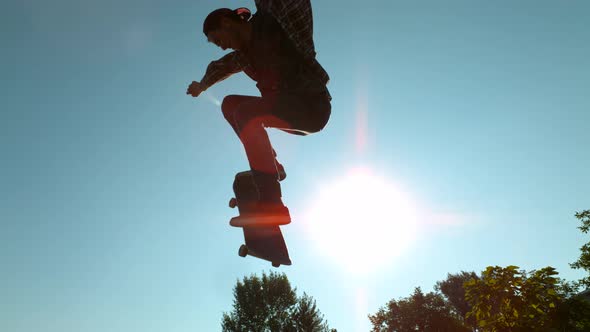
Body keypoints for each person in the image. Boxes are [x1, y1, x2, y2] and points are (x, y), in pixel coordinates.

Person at [186, 0, 331, 226]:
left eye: (218, 40)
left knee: (246, 113)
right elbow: (220, 66)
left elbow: (289, 4)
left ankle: (272, 205)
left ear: (226, 23)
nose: (222, 47)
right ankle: (272, 167)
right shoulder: (245, 55)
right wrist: (202, 85)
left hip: (311, 105)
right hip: (285, 108)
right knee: (230, 104)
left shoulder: (276, 22)